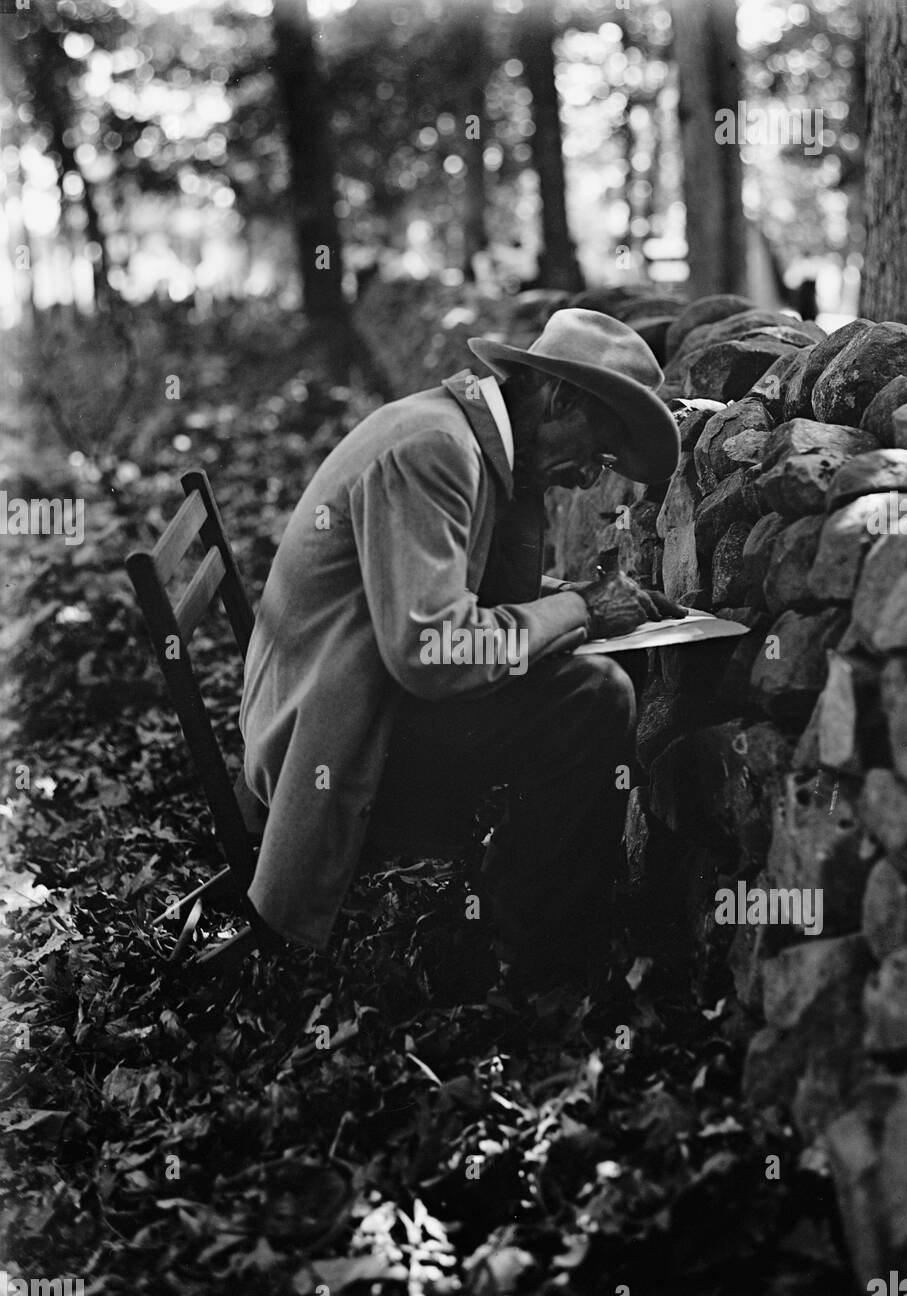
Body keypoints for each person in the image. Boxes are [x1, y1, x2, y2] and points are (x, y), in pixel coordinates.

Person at [239, 308, 683, 988]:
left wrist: (578, 601)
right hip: (327, 754)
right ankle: (549, 969)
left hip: (348, 710)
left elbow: (444, 591)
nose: (584, 482)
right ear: (561, 398)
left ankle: (527, 910)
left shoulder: (453, 433)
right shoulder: (435, 451)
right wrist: (581, 612)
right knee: (593, 698)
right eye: (594, 456)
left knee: (582, 675)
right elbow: (434, 650)